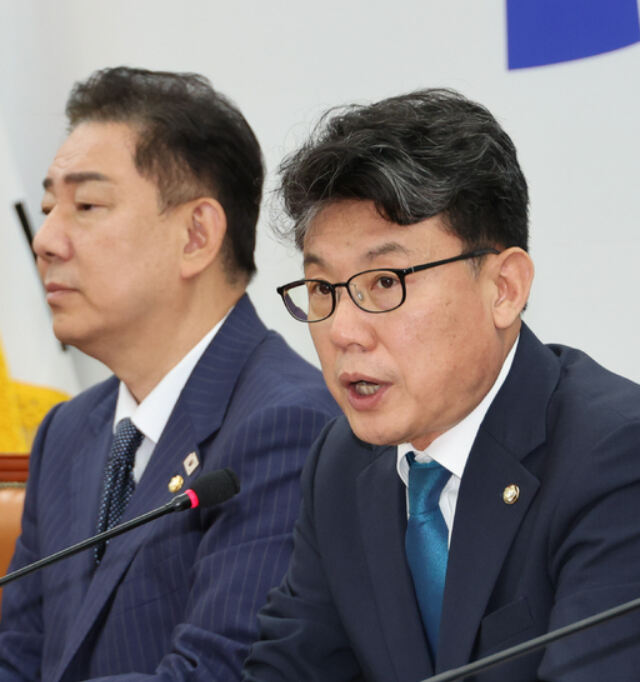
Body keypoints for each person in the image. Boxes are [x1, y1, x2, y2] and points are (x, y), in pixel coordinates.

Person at [242, 89, 640, 681]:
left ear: (504, 288)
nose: (343, 332)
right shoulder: (341, 465)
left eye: (384, 282)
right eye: (323, 289)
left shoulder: (615, 456)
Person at [0, 66, 339, 682]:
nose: (44, 240)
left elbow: (215, 672)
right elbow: (16, 657)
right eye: (48, 208)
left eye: (86, 206)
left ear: (196, 235)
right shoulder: (66, 432)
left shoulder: (287, 425)